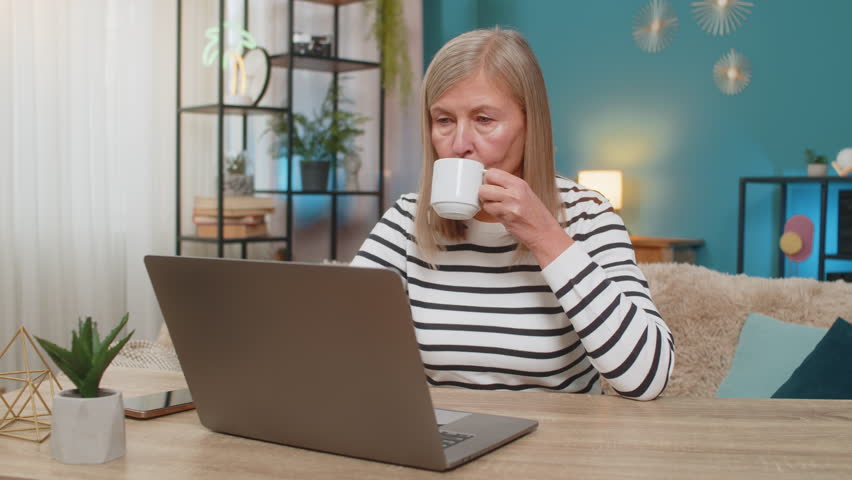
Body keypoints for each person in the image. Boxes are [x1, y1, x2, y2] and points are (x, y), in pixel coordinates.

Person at [350, 28, 673, 401]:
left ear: (529, 123)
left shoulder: (589, 217)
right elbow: (332, 337)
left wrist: (545, 236)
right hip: (446, 443)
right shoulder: (407, 220)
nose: (459, 145)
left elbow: (647, 378)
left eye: (484, 120)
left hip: (563, 449)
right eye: (444, 120)